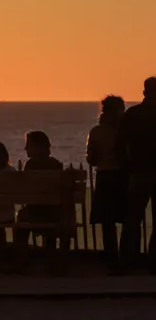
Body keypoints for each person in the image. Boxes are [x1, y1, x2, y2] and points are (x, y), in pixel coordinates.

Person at [117, 77, 156, 273]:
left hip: (138, 171)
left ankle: (128, 259)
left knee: (132, 218)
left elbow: (121, 145)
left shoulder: (132, 115)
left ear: (144, 93)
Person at [87, 95, 130, 273]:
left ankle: (111, 257)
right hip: (123, 176)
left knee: (108, 221)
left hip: (105, 177)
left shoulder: (96, 131)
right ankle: (126, 256)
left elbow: (91, 159)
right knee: (128, 218)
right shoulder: (126, 131)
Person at [16, 131, 68, 264]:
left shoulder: (30, 165)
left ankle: (22, 258)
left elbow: (25, 192)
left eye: (29, 145)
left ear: (38, 147)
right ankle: (51, 257)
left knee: (21, 217)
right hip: (53, 214)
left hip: (34, 214)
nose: (25, 148)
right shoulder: (56, 164)